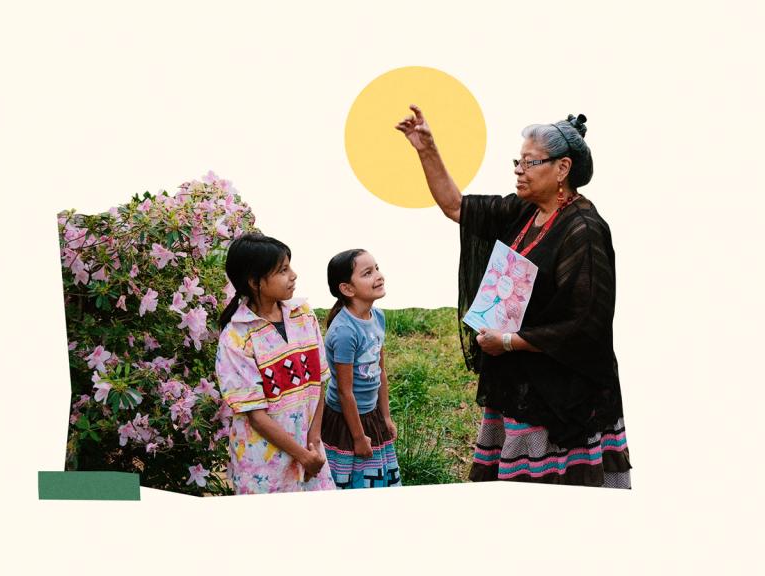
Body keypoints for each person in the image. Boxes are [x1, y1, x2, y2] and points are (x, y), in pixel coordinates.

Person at [396, 105, 631, 488]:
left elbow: (586, 325)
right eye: (517, 161)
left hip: (560, 396)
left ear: (562, 169)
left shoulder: (583, 231)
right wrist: (426, 149)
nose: (518, 169)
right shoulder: (523, 210)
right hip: (518, 382)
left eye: (529, 161)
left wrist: (507, 341)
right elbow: (456, 206)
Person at [214, 233, 336, 494]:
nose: (293, 275)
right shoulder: (236, 337)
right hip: (263, 463)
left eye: (289, 266)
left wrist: (313, 440)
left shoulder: (303, 315)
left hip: (311, 451)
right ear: (254, 281)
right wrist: (301, 455)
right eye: (283, 270)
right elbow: (256, 416)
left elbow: (318, 383)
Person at [320, 249, 402, 489]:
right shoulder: (345, 331)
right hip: (347, 419)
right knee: (353, 480)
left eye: (377, 268)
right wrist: (357, 437)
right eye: (368, 273)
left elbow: (380, 372)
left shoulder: (377, 317)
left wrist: (385, 416)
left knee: (377, 474)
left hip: (371, 413)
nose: (379, 276)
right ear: (347, 289)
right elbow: (345, 392)